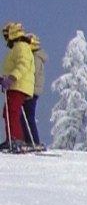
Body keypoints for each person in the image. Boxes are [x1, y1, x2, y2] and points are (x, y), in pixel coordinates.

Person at [4, 22, 45, 152]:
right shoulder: (18, 47)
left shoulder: (21, 47)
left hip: (18, 85)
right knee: (9, 112)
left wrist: (11, 78)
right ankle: (13, 138)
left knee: (13, 112)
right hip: (16, 85)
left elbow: (23, 64)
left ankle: (16, 139)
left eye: (6, 34)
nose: (5, 38)